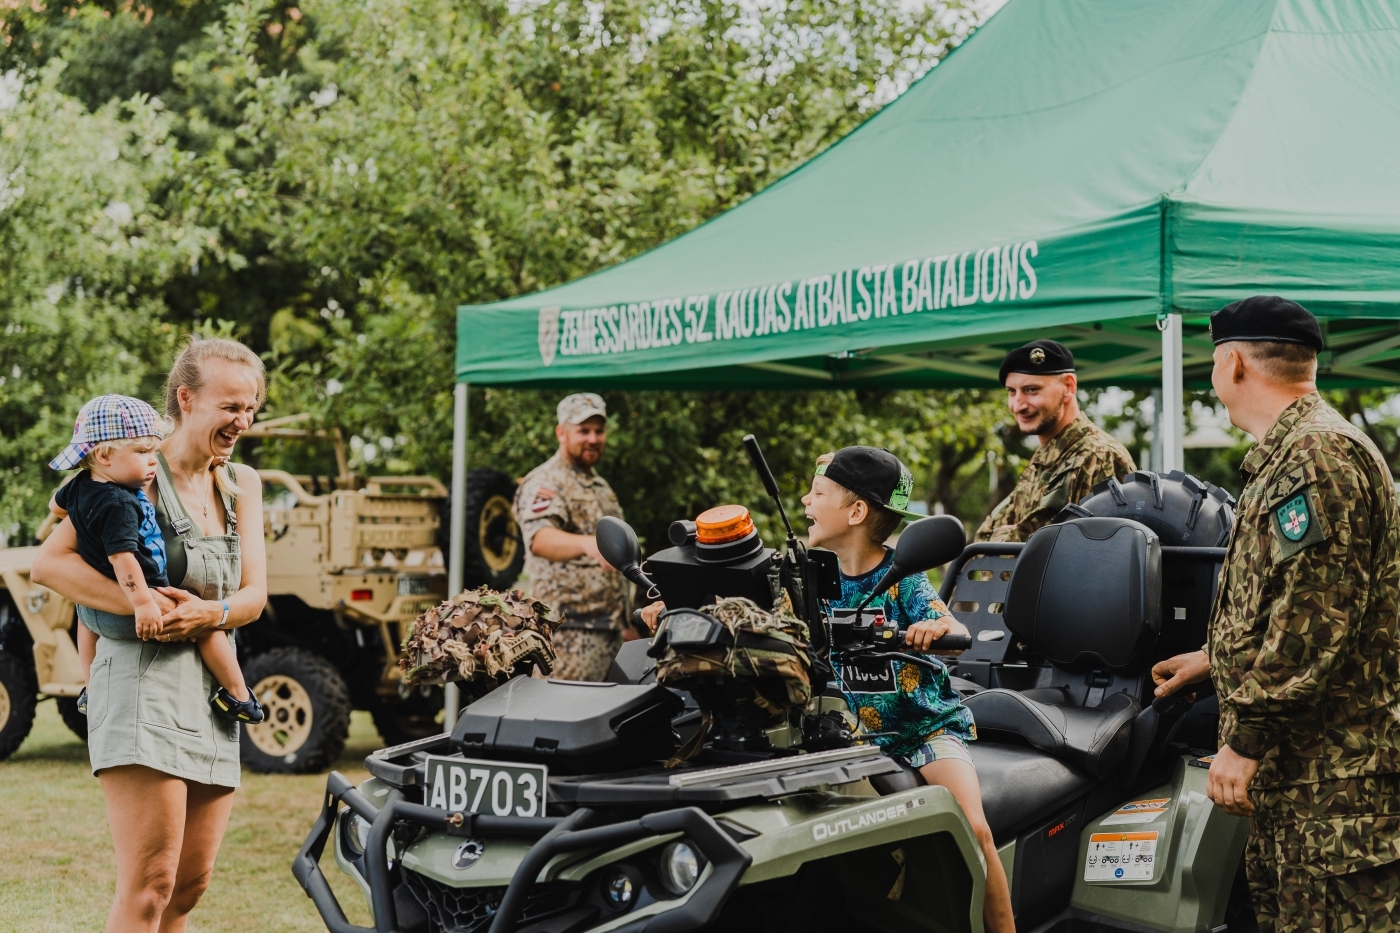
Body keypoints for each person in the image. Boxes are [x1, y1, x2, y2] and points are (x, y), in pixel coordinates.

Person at [1149, 296, 1400, 932]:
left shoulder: (1316, 458)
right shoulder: (1297, 451)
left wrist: (1245, 739)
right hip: (1312, 777)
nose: (1212, 378)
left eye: (1211, 363)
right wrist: (1217, 658)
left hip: (1333, 781)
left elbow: (1314, 622)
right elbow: (1295, 595)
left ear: (1233, 363)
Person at [32, 336, 268, 933]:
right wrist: (149, 610)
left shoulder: (243, 484)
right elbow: (51, 565)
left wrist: (207, 617)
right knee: (149, 887)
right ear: (185, 398)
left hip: (214, 692)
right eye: (230, 406)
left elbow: (253, 597)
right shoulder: (127, 470)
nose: (242, 420)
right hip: (140, 683)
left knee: (187, 888)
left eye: (251, 407)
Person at [801, 446, 1014, 933]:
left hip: (923, 728)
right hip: (851, 737)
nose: (804, 502)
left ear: (856, 512)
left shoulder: (902, 577)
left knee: (972, 828)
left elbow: (949, 626)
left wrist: (934, 631)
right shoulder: (814, 579)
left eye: (816, 493)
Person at [48, 394, 263, 724]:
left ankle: (91, 688)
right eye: (144, 452)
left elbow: (56, 507)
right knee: (206, 627)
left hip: (101, 593)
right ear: (104, 454)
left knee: (87, 617)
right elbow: (124, 560)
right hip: (145, 583)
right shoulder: (119, 503)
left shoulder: (80, 487)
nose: (153, 460)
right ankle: (238, 694)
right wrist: (146, 603)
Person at [513, 393, 628, 681]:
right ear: (561, 433)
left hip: (608, 632)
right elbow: (540, 538)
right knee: (565, 722)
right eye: (583, 431)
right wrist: (588, 544)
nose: (592, 439)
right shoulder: (546, 481)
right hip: (567, 635)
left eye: (598, 431)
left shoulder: (600, 486)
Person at [975, 339, 1135, 542]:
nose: (1018, 405)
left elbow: (1105, 557)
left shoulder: (1098, 456)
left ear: (1069, 386)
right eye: (1011, 392)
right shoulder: (1046, 457)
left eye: (1031, 390)